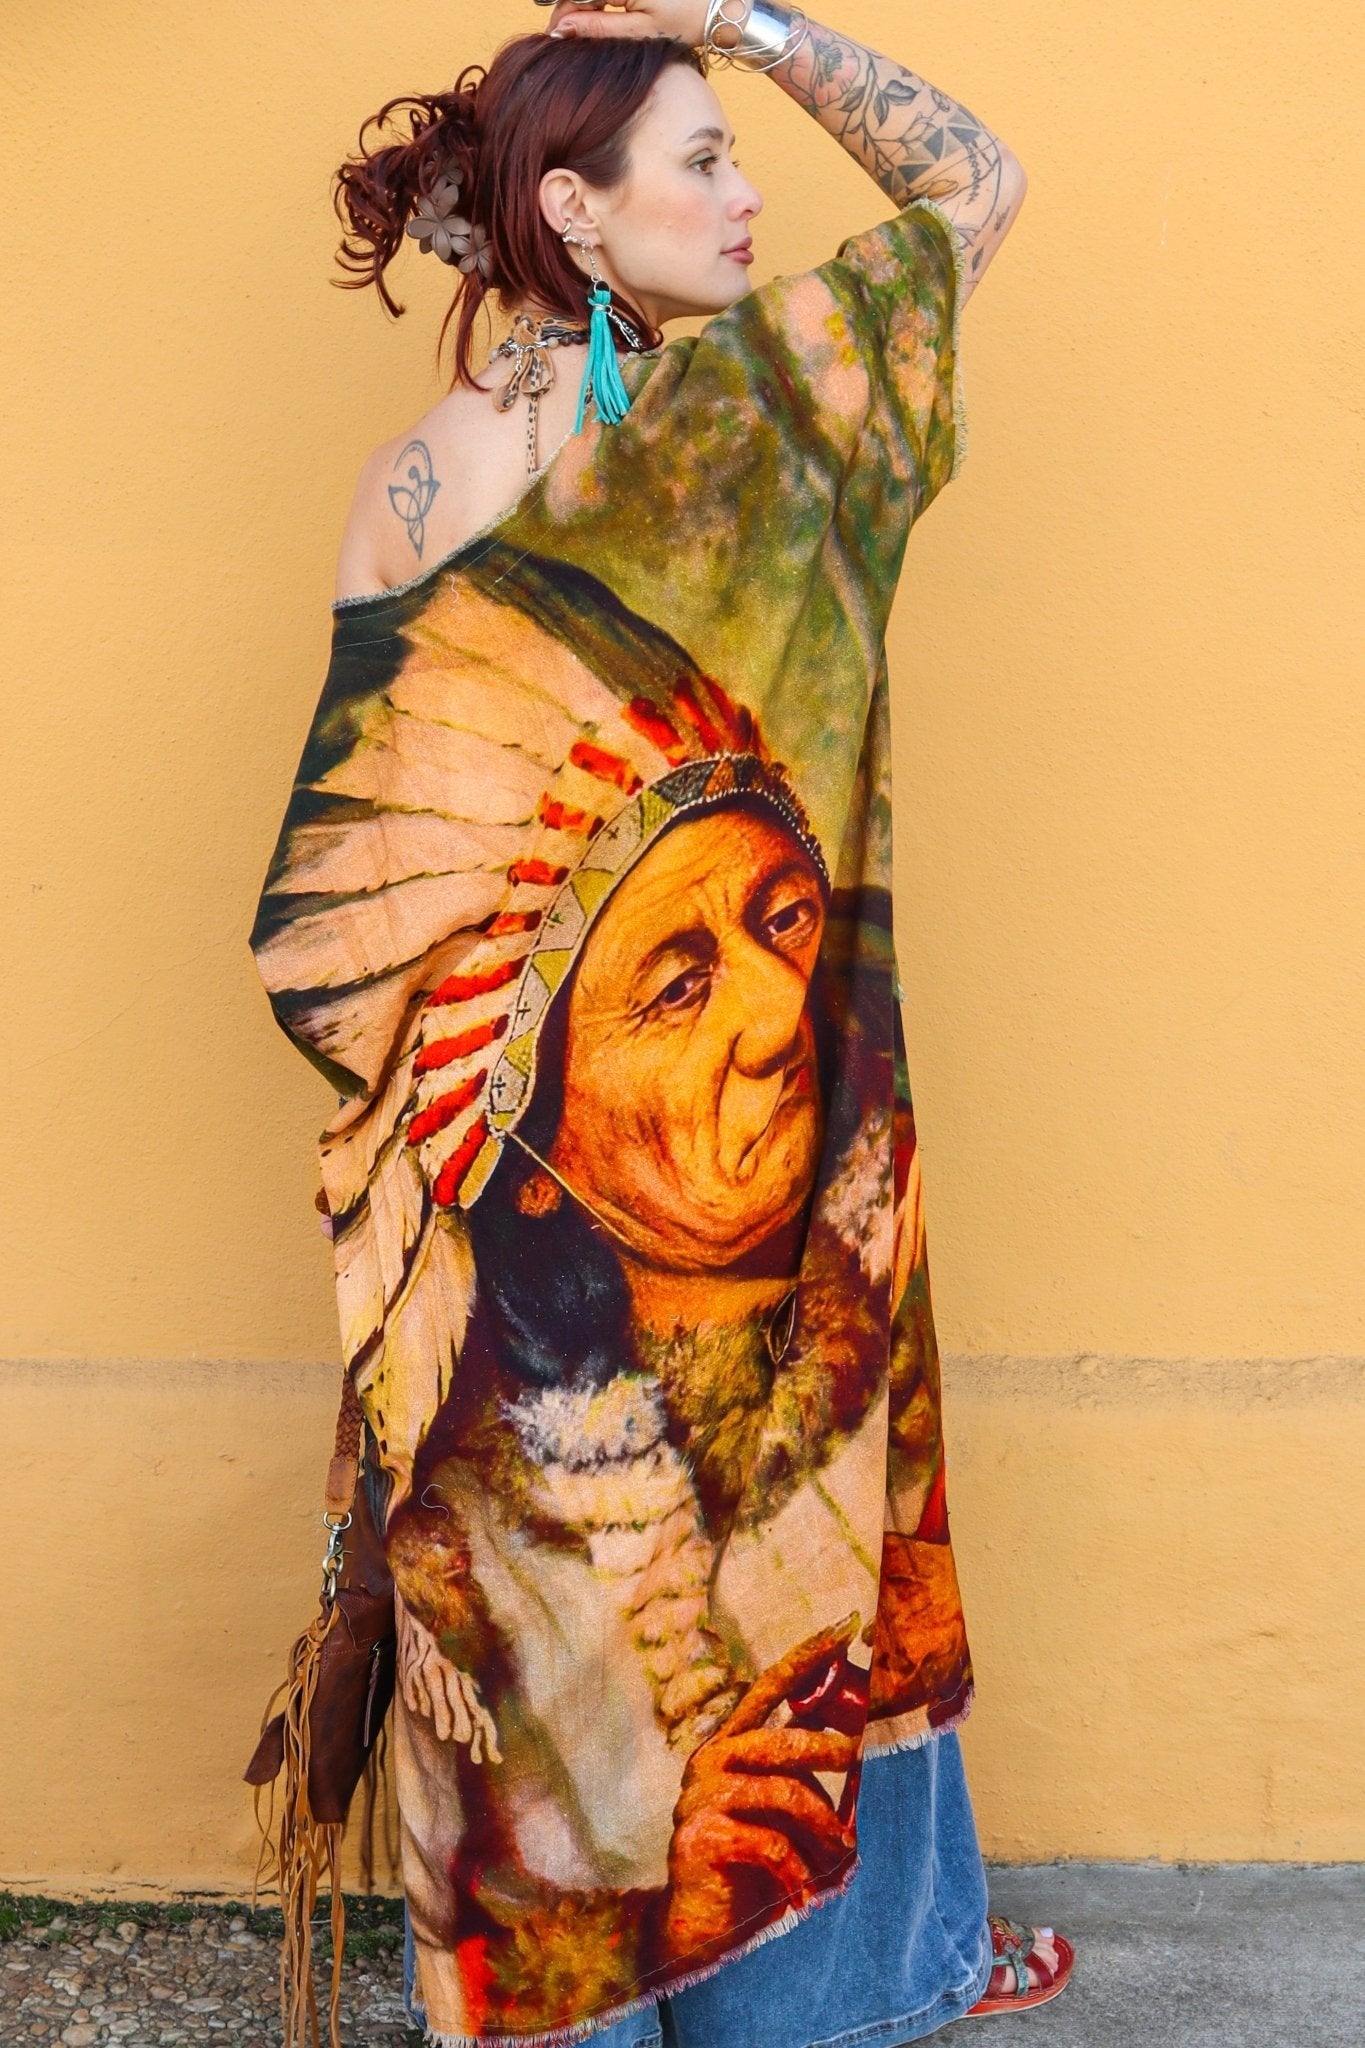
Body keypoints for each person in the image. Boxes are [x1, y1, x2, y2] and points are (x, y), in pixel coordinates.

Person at [249, 3, 1075, 2043]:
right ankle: (847, 1979)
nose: (747, 193)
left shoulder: (418, 487)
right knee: (773, 1543)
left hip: (499, 1179)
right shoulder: (770, 423)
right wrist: (736, 16)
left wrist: (459, 1149)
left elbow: (338, 915)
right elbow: (973, 181)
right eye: (701, 158)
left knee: (588, 1577)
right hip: (738, 1157)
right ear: (571, 209)